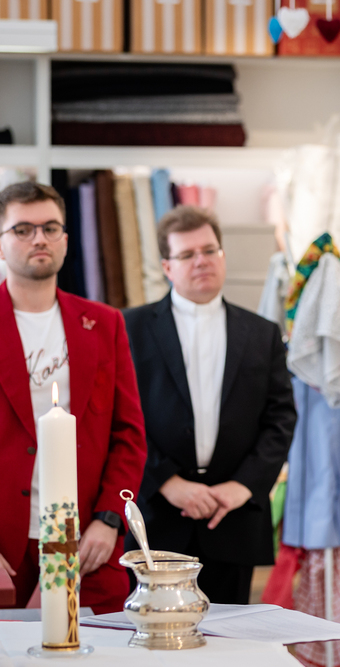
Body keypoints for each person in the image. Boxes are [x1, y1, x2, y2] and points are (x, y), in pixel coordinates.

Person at [123, 206, 296, 604]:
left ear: (222, 255)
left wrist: (244, 486)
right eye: (187, 254)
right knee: (151, 634)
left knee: (228, 635)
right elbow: (121, 419)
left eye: (209, 250)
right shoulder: (130, 328)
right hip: (155, 516)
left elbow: (281, 418)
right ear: (167, 267)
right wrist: (166, 482)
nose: (201, 261)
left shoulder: (262, 333)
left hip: (231, 516)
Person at [0, 181, 147, 613]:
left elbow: (129, 434)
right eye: (22, 229)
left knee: (92, 646)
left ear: (65, 239)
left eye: (50, 228)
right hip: (6, 546)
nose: (39, 238)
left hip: (86, 544)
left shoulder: (104, 323)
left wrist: (109, 518)